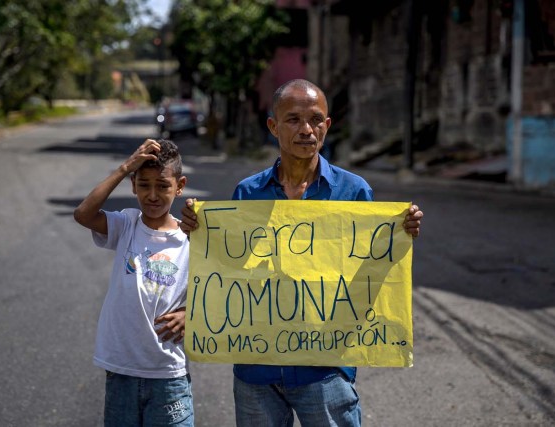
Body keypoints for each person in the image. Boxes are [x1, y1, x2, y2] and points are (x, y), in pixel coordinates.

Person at [179, 79, 423, 427]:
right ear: (273, 126)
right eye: (293, 119)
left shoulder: (354, 191)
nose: (306, 129)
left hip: (324, 368)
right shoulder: (247, 193)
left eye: (315, 119)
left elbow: (374, 269)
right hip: (256, 368)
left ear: (327, 125)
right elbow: (228, 266)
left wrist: (402, 232)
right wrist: (197, 229)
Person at [74, 139, 193, 426]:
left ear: (179, 186)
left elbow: (219, 288)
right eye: (144, 185)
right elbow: (83, 214)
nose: (152, 195)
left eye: (162, 186)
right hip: (121, 371)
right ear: (133, 185)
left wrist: (192, 315)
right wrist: (125, 166)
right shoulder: (126, 225)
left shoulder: (191, 237)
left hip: (169, 374)